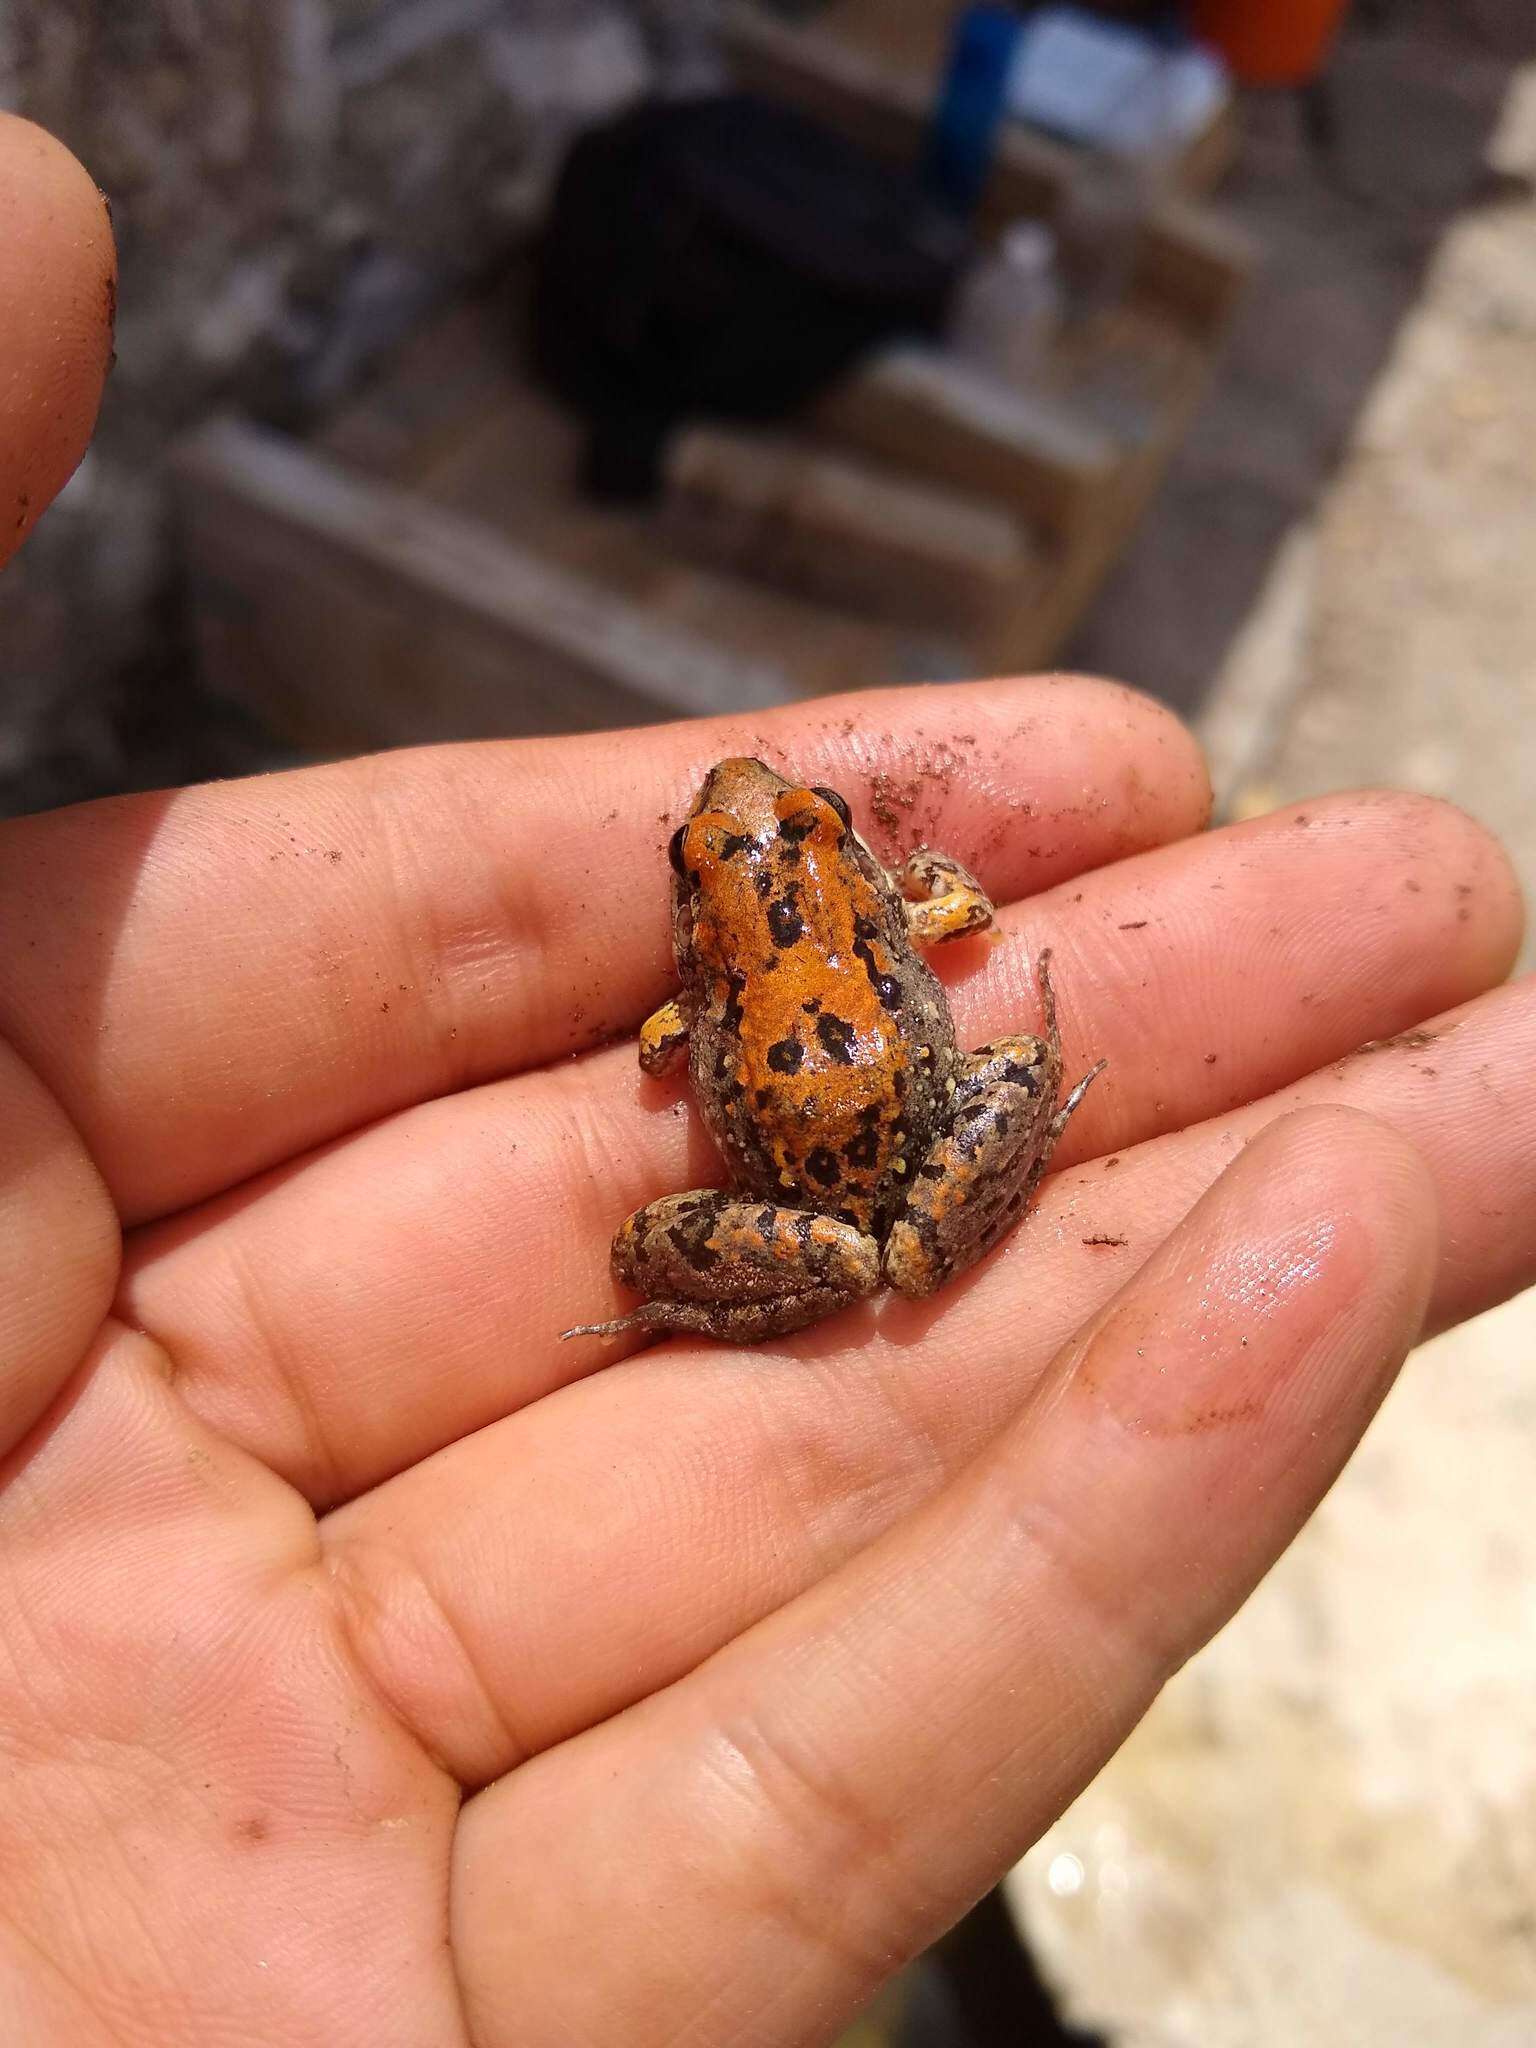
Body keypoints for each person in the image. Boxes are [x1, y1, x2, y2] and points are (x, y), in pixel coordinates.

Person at [0, 112, 1532, 2048]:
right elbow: (958, 908)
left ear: (761, 878)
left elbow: (691, 1038)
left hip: (837, 1172)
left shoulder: (704, 981)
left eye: (761, 835)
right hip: (893, 1137)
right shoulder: (885, 907)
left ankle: (859, 1250)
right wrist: (935, 998)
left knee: (672, 1227)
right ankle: (931, 1213)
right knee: (972, 1106)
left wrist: (742, 1040)